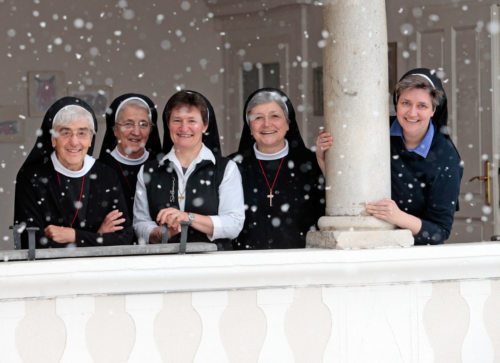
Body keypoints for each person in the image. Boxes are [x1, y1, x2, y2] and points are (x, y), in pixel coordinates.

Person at [317, 68, 463, 245]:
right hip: (362, 241)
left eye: (422, 106)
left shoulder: (446, 158)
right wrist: (324, 159)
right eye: (406, 103)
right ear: (396, 103)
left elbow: (439, 232)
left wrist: (398, 217)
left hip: (411, 253)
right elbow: (348, 184)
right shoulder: (376, 131)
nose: (412, 113)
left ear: (434, 110)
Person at [14, 97, 134, 248]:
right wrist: (98, 237)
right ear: (53, 139)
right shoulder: (32, 178)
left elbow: (125, 237)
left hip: (100, 269)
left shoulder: (107, 175)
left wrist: (73, 236)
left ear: (91, 139)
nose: (74, 141)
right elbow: (30, 241)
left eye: (82, 133)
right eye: (65, 132)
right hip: (49, 269)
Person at [133, 90, 244, 250]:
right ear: (168, 124)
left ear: (205, 126)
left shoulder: (226, 169)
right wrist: (161, 233)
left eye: (192, 120)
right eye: (177, 120)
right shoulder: (149, 171)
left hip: (214, 266)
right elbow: (140, 223)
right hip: (163, 266)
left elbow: (233, 224)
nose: (184, 127)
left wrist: (188, 218)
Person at [229, 88, 325, 250]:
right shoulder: (232, 166)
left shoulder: (310, 163)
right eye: (258, 118)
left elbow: (330, 210)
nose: (267, 124)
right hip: (245, 264)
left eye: (275, 116)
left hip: (301, 262)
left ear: (288, 123)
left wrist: (324, 164)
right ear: (249, 127)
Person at [98, 93, 161, 216]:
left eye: (143, 124)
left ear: (151, 130)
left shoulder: (162, 167)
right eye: (128, 124)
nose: (136, 132)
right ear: (115, 130)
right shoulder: (99, 170)